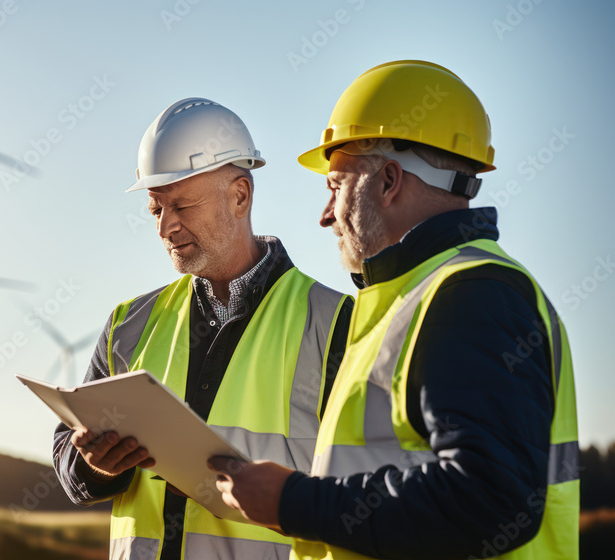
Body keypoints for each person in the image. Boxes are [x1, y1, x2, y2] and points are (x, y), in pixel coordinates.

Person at [209, 60, 580, 559]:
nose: (324, 216)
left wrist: (292, 501)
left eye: (334, 187)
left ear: (388, 181)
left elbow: (489, 498)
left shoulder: (472, 293)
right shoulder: (411, 299)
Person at [52, 97, 354, 559]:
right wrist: (95, 466)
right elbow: (67, 453)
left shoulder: (335, 325)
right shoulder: (128, 325)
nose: (165, 227)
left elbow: (370, 489)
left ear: (239, 195)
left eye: (182, 206)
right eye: (155, 209)